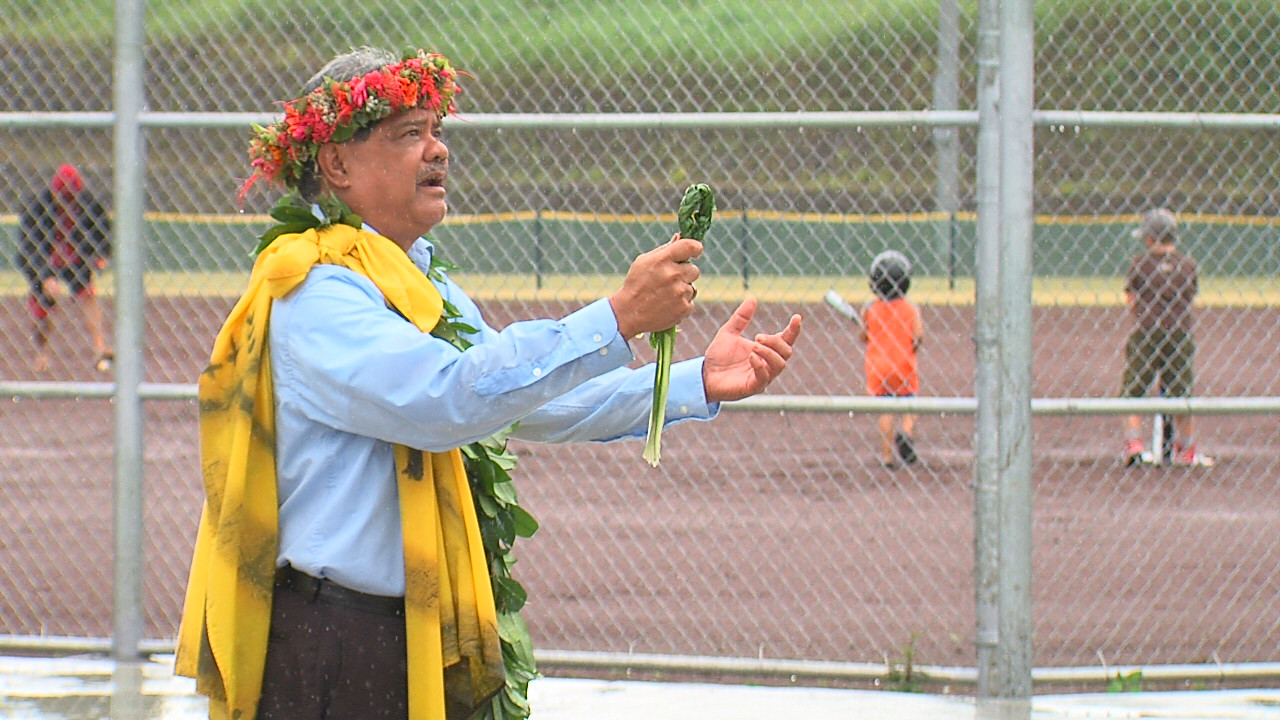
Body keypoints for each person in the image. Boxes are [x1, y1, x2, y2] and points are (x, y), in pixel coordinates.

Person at [175, 47, 802, 720]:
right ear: (336, 164)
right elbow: (450, 397)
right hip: (336, 647)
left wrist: (693, 381)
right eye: (409, 134)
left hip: (412, 630)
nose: (437, 150)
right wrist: (619, 317)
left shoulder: (420, 284)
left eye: (436, 130)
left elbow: (530, 397)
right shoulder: (317, 292)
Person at [14, 163, 113, 374]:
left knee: (88, 295)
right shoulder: (38, 207)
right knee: (46, 302)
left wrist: (102, 254)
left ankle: (99, 348)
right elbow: (29, 247)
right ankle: (42, 353)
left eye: (72, 197)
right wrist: (44, 276)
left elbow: (103, 230)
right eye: (64, 198)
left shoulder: (87, 203)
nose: (69, 203)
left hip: (76, 258)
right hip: (45, 260)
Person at [1120, 207, 1199, 466]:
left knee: (1133, 392)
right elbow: (1191, 299)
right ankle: (1186, 449)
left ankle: (1134, 445)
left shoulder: (1140, 263)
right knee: (1182, 394)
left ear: (1151, 239)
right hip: (1179, 333)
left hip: (1147, 332)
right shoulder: (1187, 265)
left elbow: (1131, 299)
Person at [858, 250, 924, 467]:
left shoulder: (870, 309)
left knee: (885, 409)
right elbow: (918, 337)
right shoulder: (911, 309)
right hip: (903, 365)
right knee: (909, 404)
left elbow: (864, 336)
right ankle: (905, 432)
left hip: (878, 368)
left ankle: (887, 456)